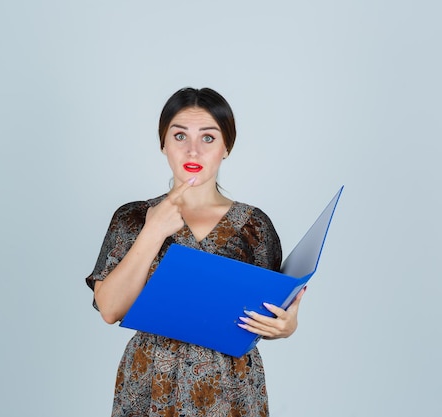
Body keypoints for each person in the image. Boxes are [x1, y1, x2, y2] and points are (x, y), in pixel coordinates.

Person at [85, 87, 305, 416]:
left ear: (226, 147)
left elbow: (267, 314)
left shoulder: (254, 226)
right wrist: (153, 231)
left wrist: (287, 327)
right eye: (179, 136)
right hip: (151, 383)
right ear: (163, 143)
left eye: (208, 138)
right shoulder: (131, 218)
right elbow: (110, 309)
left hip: (230, 386)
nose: (192, 150)